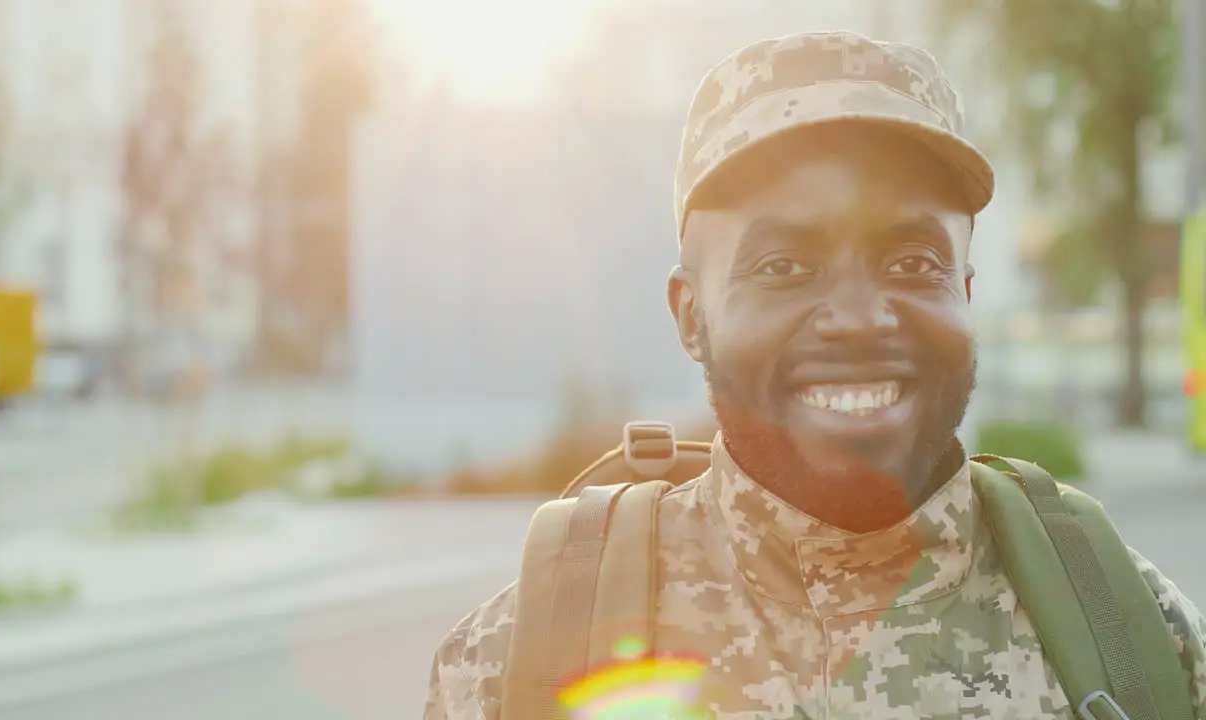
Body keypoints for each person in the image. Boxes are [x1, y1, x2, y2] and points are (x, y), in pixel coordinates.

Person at [423, 30, 1206, 719]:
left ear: (964, 294)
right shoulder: (510, 668)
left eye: (912, 261)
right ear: (691, 315)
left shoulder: (1137, 638)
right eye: (784, 265)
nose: (860, 317)